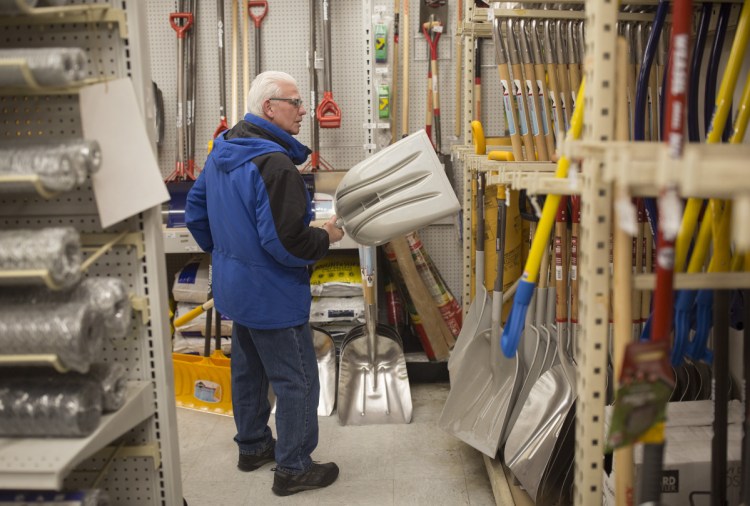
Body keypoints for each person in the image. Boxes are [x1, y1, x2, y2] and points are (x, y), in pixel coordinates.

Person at [185, 70, 344, 497]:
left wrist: (228, 252)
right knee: (297, 379)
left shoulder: (224, 149)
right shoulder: (276, 166)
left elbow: (196, 212)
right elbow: (287, 244)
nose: (304, 111)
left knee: (250, 372)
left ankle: (253, 447)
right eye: (296, 103)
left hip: (235, 287)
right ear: (270, 108)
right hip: (272, 293)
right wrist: (325, 237)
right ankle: (293, 466)